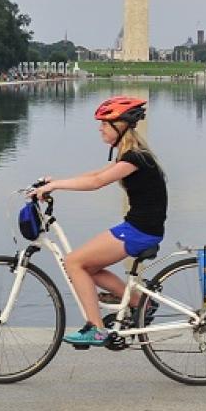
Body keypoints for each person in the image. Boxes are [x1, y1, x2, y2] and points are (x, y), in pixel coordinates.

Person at [33, 97, 168, 347]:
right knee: (87, 266)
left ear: (120, 126)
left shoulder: (134, 158)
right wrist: (55, 183)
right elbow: (96, 174)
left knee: (74, 262)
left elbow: (97, 183)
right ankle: (140, 302)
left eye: (105, 123)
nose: (100, 128)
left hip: (139, 231)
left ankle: (96, 329)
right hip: (139, 227)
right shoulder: (130, 155)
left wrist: (56, 186)